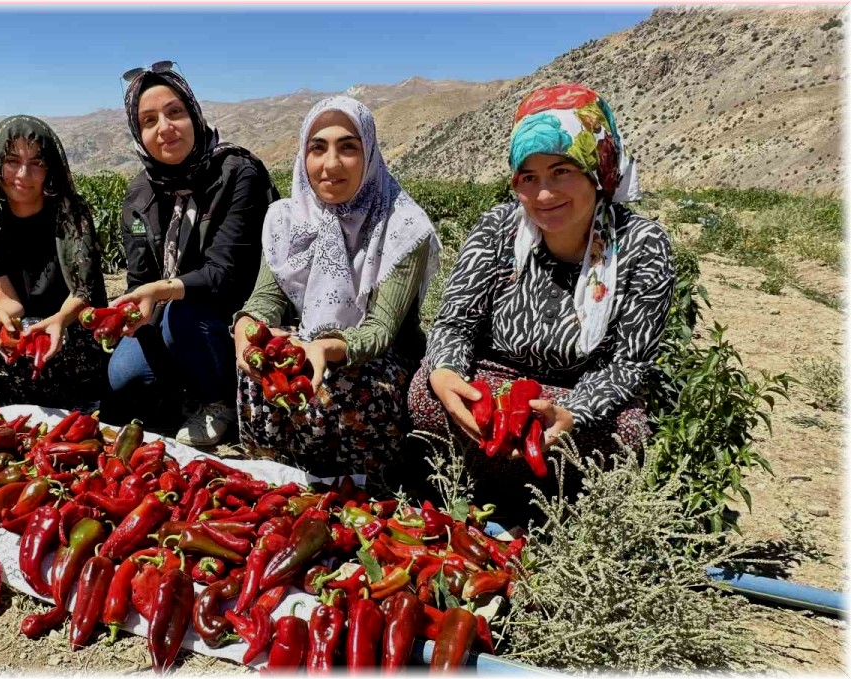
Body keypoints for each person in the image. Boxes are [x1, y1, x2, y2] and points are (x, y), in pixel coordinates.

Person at [408, 83, 675, 505]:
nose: (543, 194)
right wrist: (446, 373)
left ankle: (544, 506)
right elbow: (455, 324)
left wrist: (575, 412)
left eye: (561, 171)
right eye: (528, 177)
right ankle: (479, 493)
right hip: (492, 387)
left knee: (626, 431)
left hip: (574, 399)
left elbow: (629, 364)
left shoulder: (643, 244)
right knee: (425, 389)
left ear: (598, 170)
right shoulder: (498, 228)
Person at [233, 96, 441, 483]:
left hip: (377, 356)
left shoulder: (402, 228)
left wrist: (325, 349)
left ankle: (365, 488)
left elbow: (379, 330)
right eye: (318, 147)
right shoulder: (286, 218)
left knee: (353, 382)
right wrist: (247, 328)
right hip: (312, 341)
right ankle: (276, 477)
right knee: (260, 367)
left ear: (370, 155)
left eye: (348, 147)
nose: (330, 164)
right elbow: (266, 298)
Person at [106, 62, 278, 446]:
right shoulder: (139, 198)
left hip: (230, 309)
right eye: (148, 121)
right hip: (173, 312)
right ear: (139, 133)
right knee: (123, 376)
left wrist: (160, 292)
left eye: (175, 112)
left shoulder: (237, 174)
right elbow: (140, 280)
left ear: (194, 115)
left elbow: (225, 274)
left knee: (186, 315)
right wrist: (134, 312)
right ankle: (184, 385)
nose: (164, 128)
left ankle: (221, 401)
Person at [0, 115, 109, 407]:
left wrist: (59, 322)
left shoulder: (70, 213)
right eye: (12, 160)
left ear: (49, 168)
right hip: (22, 325)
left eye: (37, 163)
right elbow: (8, 301)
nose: (23, 175)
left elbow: (83, 292)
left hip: (69, 325)